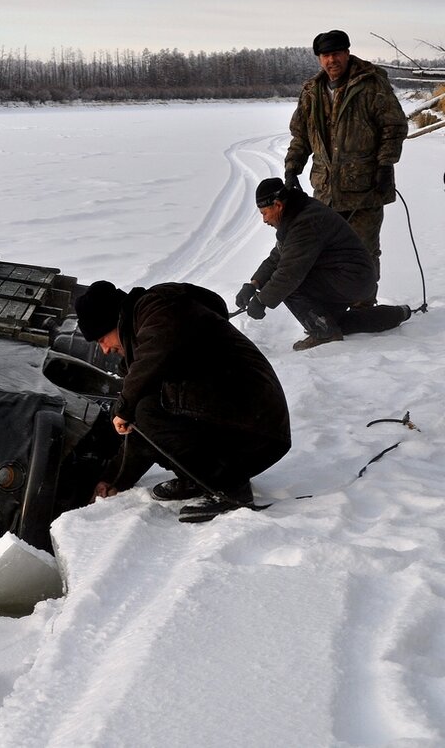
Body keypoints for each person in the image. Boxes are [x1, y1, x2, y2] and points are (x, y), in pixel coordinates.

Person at [73, 280, 291, 523]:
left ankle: (228, 488)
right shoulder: (142, 338)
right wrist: (114, 479)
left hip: (256, 423)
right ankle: (199, 481)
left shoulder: (158, 307)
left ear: (114, 321)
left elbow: (156, 354)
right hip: (245, 427)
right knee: (144, 410)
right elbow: (140, 433)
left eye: (102, 339)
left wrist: (125, 406)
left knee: (146, 409)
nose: (104, 350)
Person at [285, 29, 408, 301]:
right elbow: (301, 135)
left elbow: (394, 127)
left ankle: (365, 304)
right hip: (325, 191)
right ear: (319, 59)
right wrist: (292, 168)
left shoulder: (371, 83)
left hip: (364, 187)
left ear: (347, 53)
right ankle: (336, 305)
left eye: (337, 53)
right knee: (326, 253)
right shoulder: (311, 91)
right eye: (326, 55)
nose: (332, 60)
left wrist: (385, 165)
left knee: (363, 252)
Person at [237, 178, 411, 351]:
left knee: (290, 284)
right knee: (337, 322)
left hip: (351, 278)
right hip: (352, 278)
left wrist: (262, 300)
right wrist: (254, 284)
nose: (264, 220)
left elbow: (288, 274)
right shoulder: (296, 214)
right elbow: (278, 256)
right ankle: (397, 314)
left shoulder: (304, 223)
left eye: (264, 213)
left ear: (278, 205)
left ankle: (324, 333)